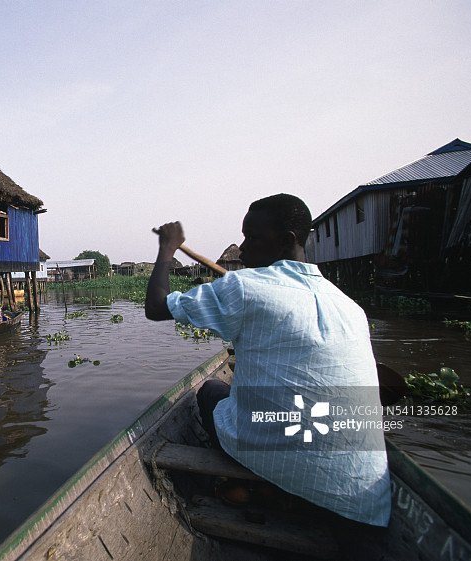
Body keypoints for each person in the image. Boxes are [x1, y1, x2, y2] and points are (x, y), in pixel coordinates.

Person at [145, 193, 391, 527]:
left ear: (287, 241)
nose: (243, 249)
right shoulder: (351, 307)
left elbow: (156, 306)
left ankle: (253, 481)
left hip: (294, 467)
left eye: (254, 238)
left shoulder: (244, 286)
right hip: (364, 501)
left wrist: (167, 249)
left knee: (211, 390)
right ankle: (273, 488)